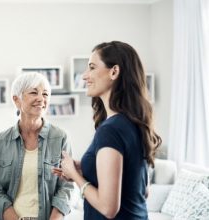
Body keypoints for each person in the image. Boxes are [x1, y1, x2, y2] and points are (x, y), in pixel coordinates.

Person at [53, 41, 162, 219]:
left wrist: (75, 176)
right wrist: (86, 169)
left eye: (92, 67)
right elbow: (142, 191)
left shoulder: (110, 130)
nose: (84, 76)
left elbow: (108, 208)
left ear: (114, 71)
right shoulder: (134, 123)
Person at [0, 72, 74, 220]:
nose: (41, 99)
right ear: (17, 100)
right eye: (34, 92)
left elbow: (67, 187)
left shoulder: (60, 137)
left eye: (45, 94)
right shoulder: (0, 142)